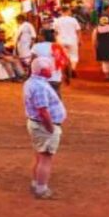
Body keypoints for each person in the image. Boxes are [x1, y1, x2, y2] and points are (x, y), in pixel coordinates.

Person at [23, 57, 66, 199]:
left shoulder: (33, 82)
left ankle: (36, 183)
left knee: (40, 156)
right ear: (43, 70)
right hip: (44, 126)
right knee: (45, 158)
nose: (52, 70)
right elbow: (43, 110)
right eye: (49, 68)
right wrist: (51, 128)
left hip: (38, 125)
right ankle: (41, 189)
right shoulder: (40, 86)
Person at [31, 28, 66, 93]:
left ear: (43, 36)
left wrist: (30, 76)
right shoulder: (58, 47)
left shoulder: (36, 46)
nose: (38, 36)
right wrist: (67, 77)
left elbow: (32, 62)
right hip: (56, 79)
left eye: (39, 35)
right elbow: (65, 62)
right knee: (56, 99)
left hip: (41, 79)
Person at [52, 6, 81, 76]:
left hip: (61, 40)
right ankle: (73, 69)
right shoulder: (73, 20)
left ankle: (64, 68)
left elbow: (55, 32)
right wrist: (79, 40)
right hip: (72, 40)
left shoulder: (57, 20)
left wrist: (56, 40)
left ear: (61, 12)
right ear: (68, 11)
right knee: (74, 55)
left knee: (63, 55)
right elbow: (78, 31)